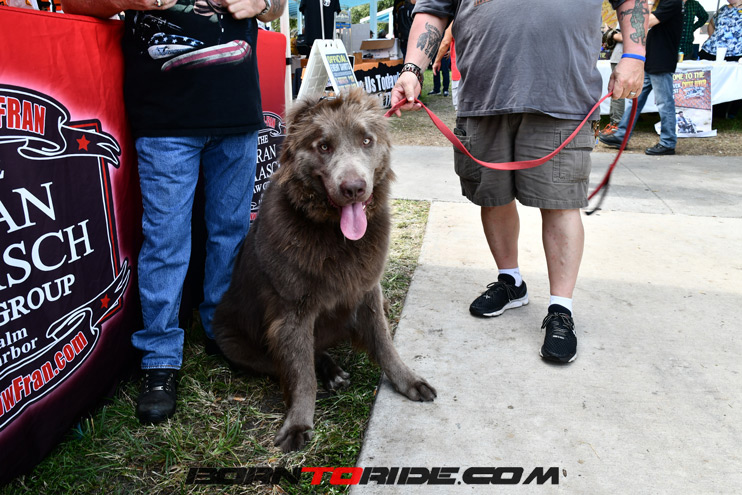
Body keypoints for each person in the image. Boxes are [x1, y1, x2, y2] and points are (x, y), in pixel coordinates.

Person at [60, 0, 286, 425]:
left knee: (231, 232)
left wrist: (262, 3)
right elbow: (74, 4)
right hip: (166, 118)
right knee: (166, 240)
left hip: (237, 110)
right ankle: (160, 357)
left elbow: (276, 7)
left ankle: (223, 329)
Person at [391, 0, 647, 364]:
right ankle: (510, 282)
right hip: (483, 94)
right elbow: (434, 8)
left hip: (563, 94)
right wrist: (412, 68)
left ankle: (561, 309)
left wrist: (634, 56)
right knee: (492, 196)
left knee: (560, 203)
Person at [600, 0, 683, 156]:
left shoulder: (672, 2)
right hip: (650, 60)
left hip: (662, 60)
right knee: (634, 101)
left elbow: (645, 22)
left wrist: (649, 2)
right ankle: (622, 136)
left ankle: (668, 142)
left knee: (664, 103)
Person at [602, 25, 627, 135]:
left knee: (617, 92)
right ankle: (615, 124)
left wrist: (610, 33)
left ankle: (616, 126)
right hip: (620, 57)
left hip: (623, 57)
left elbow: (625, 37)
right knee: (615, 92)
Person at [433, 23, 460, 110]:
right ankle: (442, 89)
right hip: (477, 73)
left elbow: (446, 42)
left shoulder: (456, 21)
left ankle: (445, 89)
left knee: (460, 109)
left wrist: (437, 60)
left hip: (459, 73)